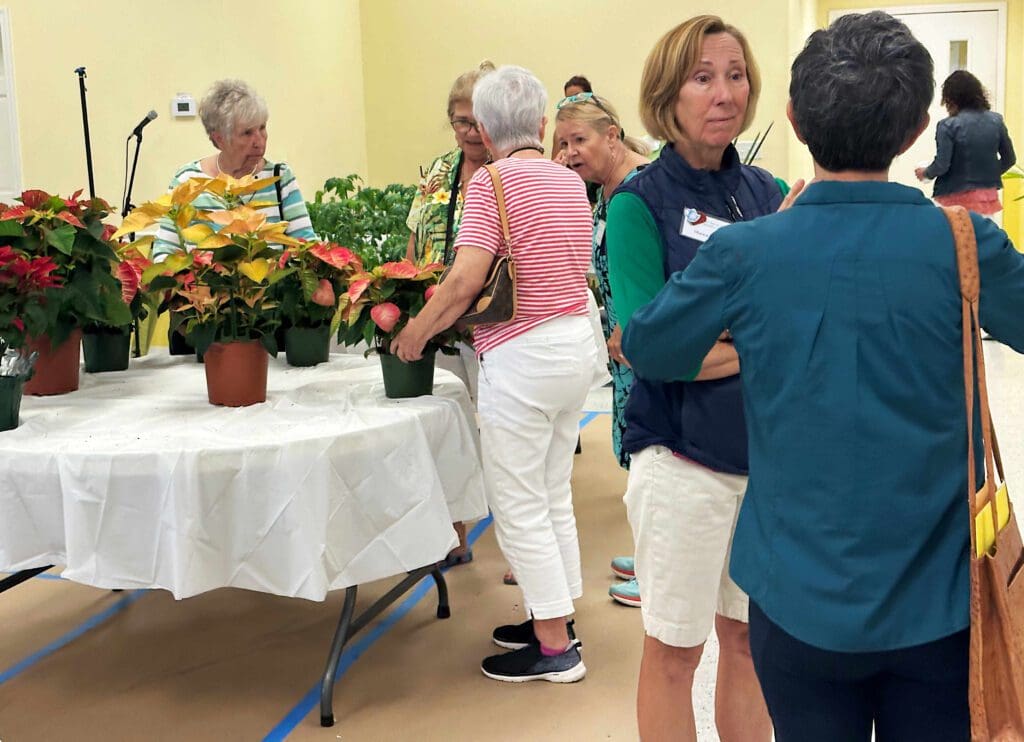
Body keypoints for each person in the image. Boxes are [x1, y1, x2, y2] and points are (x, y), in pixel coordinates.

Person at [622, 11, 1024, 740]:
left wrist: (744, 327)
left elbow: (647, 346)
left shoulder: (746, 252)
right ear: (915, 130)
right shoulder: (964, 242)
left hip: (796, 597)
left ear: (795, 119)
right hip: (936, 599)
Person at [605, 15, 786, 741]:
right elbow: (645, 346)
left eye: (735, 75)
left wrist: (716, 336)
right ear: (667, 94)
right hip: (681, 460)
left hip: (764, 461)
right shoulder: (638, 203)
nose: (724, 93)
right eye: (703, 77)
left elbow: (794, 322)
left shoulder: (768, 193)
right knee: (675, 651)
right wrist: (755, 335)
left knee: (748, 642)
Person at [391, 64, 595, 684]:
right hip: (574, 346)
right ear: (542, 121)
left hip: (523, 355)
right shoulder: (568, 180)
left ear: (482, 127)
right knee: (551, 491)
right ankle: (554, 617)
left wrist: (415, 333)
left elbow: (464, 280)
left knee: (518, 501)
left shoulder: (491, 183)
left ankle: (554, 648)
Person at [554, 92, 650, 608]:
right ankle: (651, 551)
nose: (569, 152)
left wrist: (633, 329)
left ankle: (658, 572)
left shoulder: (642, 189)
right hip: (623, 345)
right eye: (561, 143)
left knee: (654, 454)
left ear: (612, 135)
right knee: (639, 456)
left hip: (644, 343)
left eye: (579, 140)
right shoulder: (604, 191)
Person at [404, 61, 494, 568]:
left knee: (501, 432)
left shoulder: (509, 171)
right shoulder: (438, 172)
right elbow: (415, 239)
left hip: (491, 326)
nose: (470, 132)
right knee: (445, 427)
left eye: (479, 121)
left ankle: (523, 548)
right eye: (461, 121)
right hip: (439, 323)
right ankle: (453, 532)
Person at [153, 79, 316, 260]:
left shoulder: (280, 177)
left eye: (262, 128)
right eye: (247, 133)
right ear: (220, 139)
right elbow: (164, 251)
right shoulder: (188, 180)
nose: (259, 141)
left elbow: (306, 246)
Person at [916, 69, 1016, 220]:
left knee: (956, 235)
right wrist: (987, 173)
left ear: (950, 98)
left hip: (954, 196)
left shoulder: (947, 126)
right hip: (987, 198)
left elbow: (942, 165)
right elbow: (1010, 159)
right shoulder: (996, 121)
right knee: (983, 234)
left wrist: (925, 173)